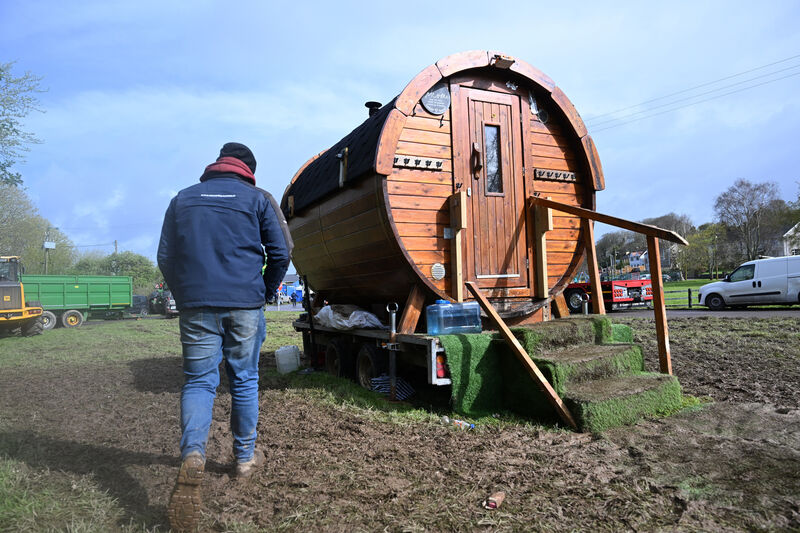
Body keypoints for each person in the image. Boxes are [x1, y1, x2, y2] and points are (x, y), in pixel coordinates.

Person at [158, 142, 291, 532]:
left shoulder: (182, 200)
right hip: (245, 305)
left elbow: (165, 256)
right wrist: (265, 292)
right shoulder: (257, 199)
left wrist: (184, 295)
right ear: (248, 169)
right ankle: (245, 460)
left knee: (199, 381)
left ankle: (193, 455)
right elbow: (281, 253)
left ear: (216, 165)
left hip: (197, 304)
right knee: (245, 379)